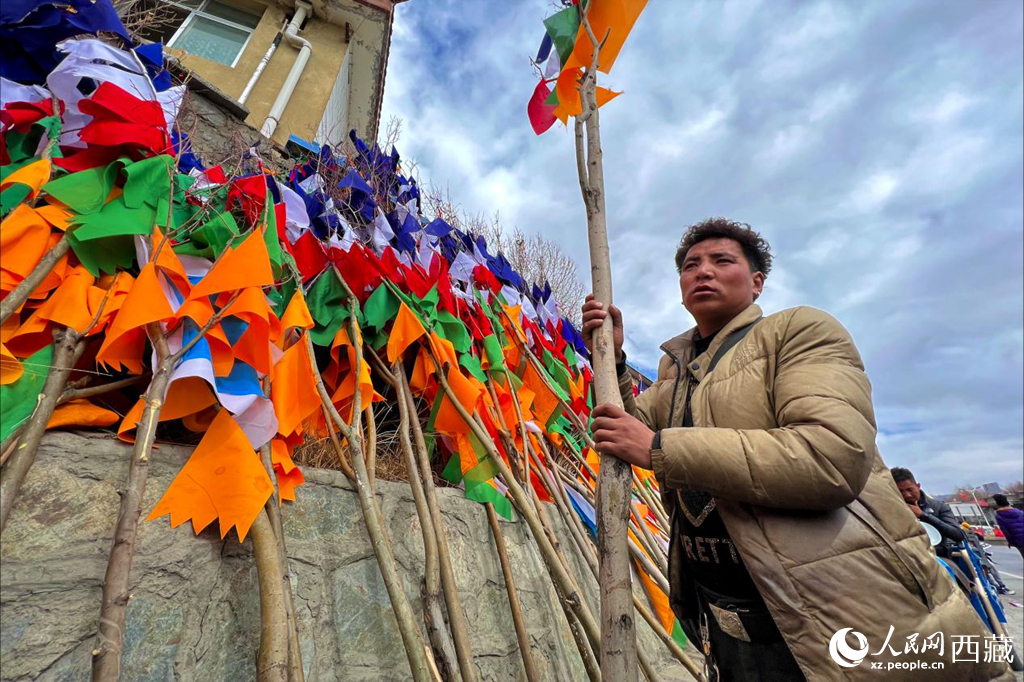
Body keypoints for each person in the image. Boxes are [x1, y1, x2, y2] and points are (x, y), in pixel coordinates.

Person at [582, 218, 1011, 681]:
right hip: (725, 624)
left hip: (840, 616)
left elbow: (830, 457)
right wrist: (612, 359)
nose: (702, 271)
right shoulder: (676, 374)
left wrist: (661, 448)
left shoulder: (798, 332)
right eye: (690, 265)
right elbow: (623, 430)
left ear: (757, 282)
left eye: (722, 261)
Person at [889, 467, 965, 559]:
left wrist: (924, 516)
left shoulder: (939, 506)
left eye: (910, 489)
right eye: (900, 491)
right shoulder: (889, 509)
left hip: (939, 556)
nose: (907, 495)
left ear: (918, 486)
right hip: (906, 557)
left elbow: (958, 535)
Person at [993, 493, 1024, 561]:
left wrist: (1011, 542)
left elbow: (1006, 531)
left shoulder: (1000, 516)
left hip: (1019, 541)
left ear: (998, 505)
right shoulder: (1021, 512)